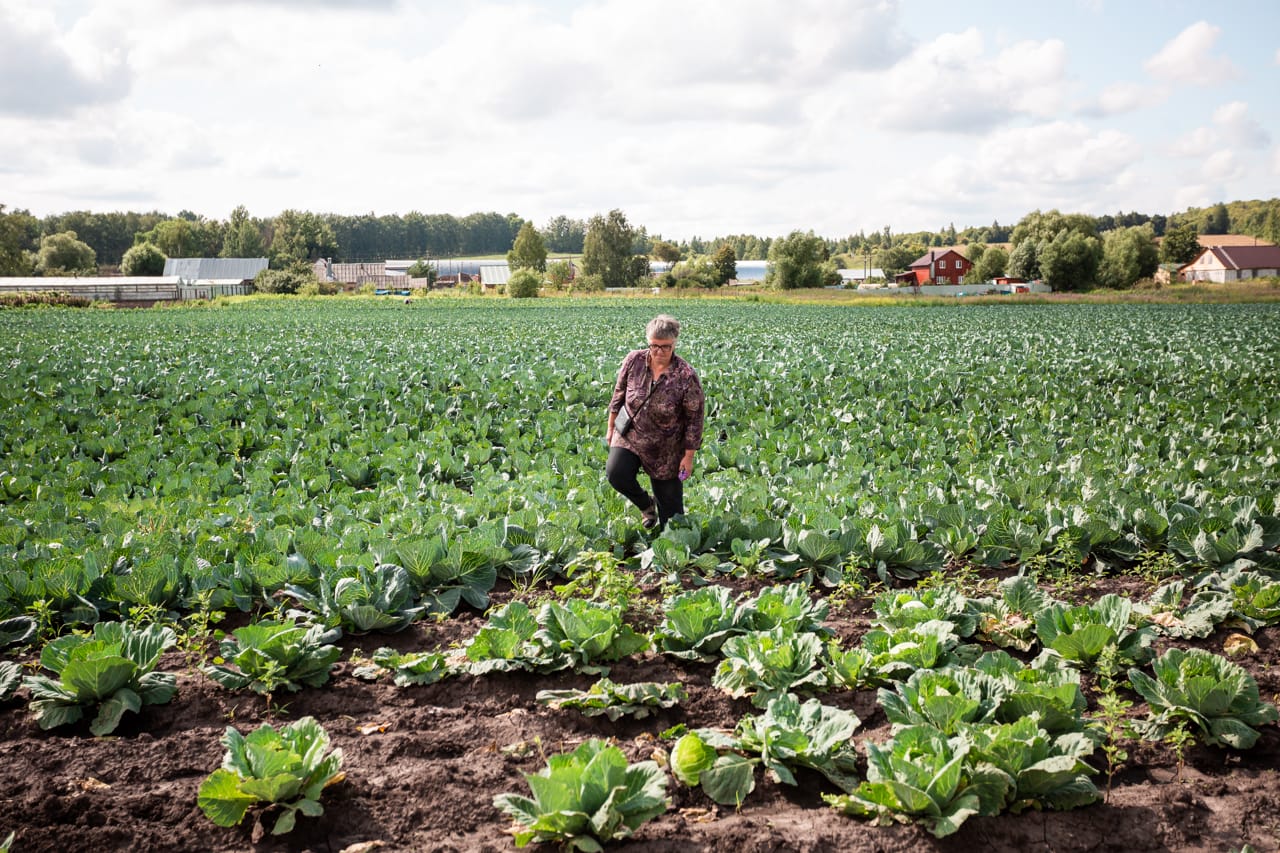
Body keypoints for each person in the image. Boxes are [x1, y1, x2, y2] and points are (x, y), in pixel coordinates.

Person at [606, 314, 704, 529]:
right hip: (630, 434)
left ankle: (668, 550)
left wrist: (688, 456)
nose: (659, 352)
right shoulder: (634, 360)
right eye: (654, 346)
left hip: (666, 446)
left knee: (671, 515)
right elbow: (619, 394)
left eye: (665, 347)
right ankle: (646, 505)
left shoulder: (685, 375)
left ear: (675, 343)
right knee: (616, 474)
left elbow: (694, 418)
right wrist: (611, 426)